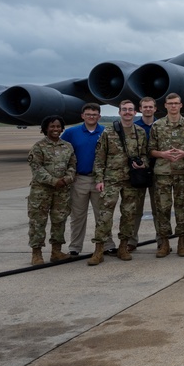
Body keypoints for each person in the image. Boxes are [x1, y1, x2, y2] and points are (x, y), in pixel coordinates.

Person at [91, 100, 148, 265]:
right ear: (119, 112)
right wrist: (99, 179)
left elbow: (144, 154)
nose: (128, 112)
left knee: (129, 214)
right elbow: (100, 157)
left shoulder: (140, 133)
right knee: (105, 215)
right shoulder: (108, 132)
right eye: (124, 109)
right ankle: (99, 249)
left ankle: (123, 246)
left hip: (131, 180)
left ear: (135, 112)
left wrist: (142, 163)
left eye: (130, 110)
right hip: (111, 179)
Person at [149, 93, 184, 258]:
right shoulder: (158, 125)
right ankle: (164, 243)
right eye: (170, 103)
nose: (173, 106)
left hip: (182, 173)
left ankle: (182, 242)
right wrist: (163, 154)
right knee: (162, 209)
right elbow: (150, 150)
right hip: (162, 173)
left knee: (182, 208)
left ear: (181, 105)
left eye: (176, 103)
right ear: (165, 105)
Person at [26, 115, 76, 265]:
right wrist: (54, 181)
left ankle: (56, 251)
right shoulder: (38, 147)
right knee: (38, 221)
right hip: (41, 191)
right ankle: (36, 253)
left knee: (59, 221)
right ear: (45, 129)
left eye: (58, 126)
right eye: (52, 126)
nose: (55, 129)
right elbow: (36, 168)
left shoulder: (67, 146)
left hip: (62, 191)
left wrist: (67, 179)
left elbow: (73, 165)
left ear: (62, 129)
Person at [60, 102, 107, 257]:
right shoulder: (71, 133)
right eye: (88, 114)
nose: (91, 117)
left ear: (99, 116)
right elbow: (61, 151)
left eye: (94, 114)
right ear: (82, 116)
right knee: (78, 216)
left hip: (100, 180)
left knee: (102, 215)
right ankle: (75, 247)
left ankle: (106, 245)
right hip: (79, 179)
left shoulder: (106, 132)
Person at [128, 96, 158, 252]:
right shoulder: (133, 127)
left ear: (155, 109)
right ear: (140, 109)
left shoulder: (161, 126)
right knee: (135, 209)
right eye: (145, 107)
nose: (148, 109)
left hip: (158, 172)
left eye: (150, 107)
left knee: (158, 209)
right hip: (138, 173)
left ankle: (162, 240)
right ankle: (131, 240)